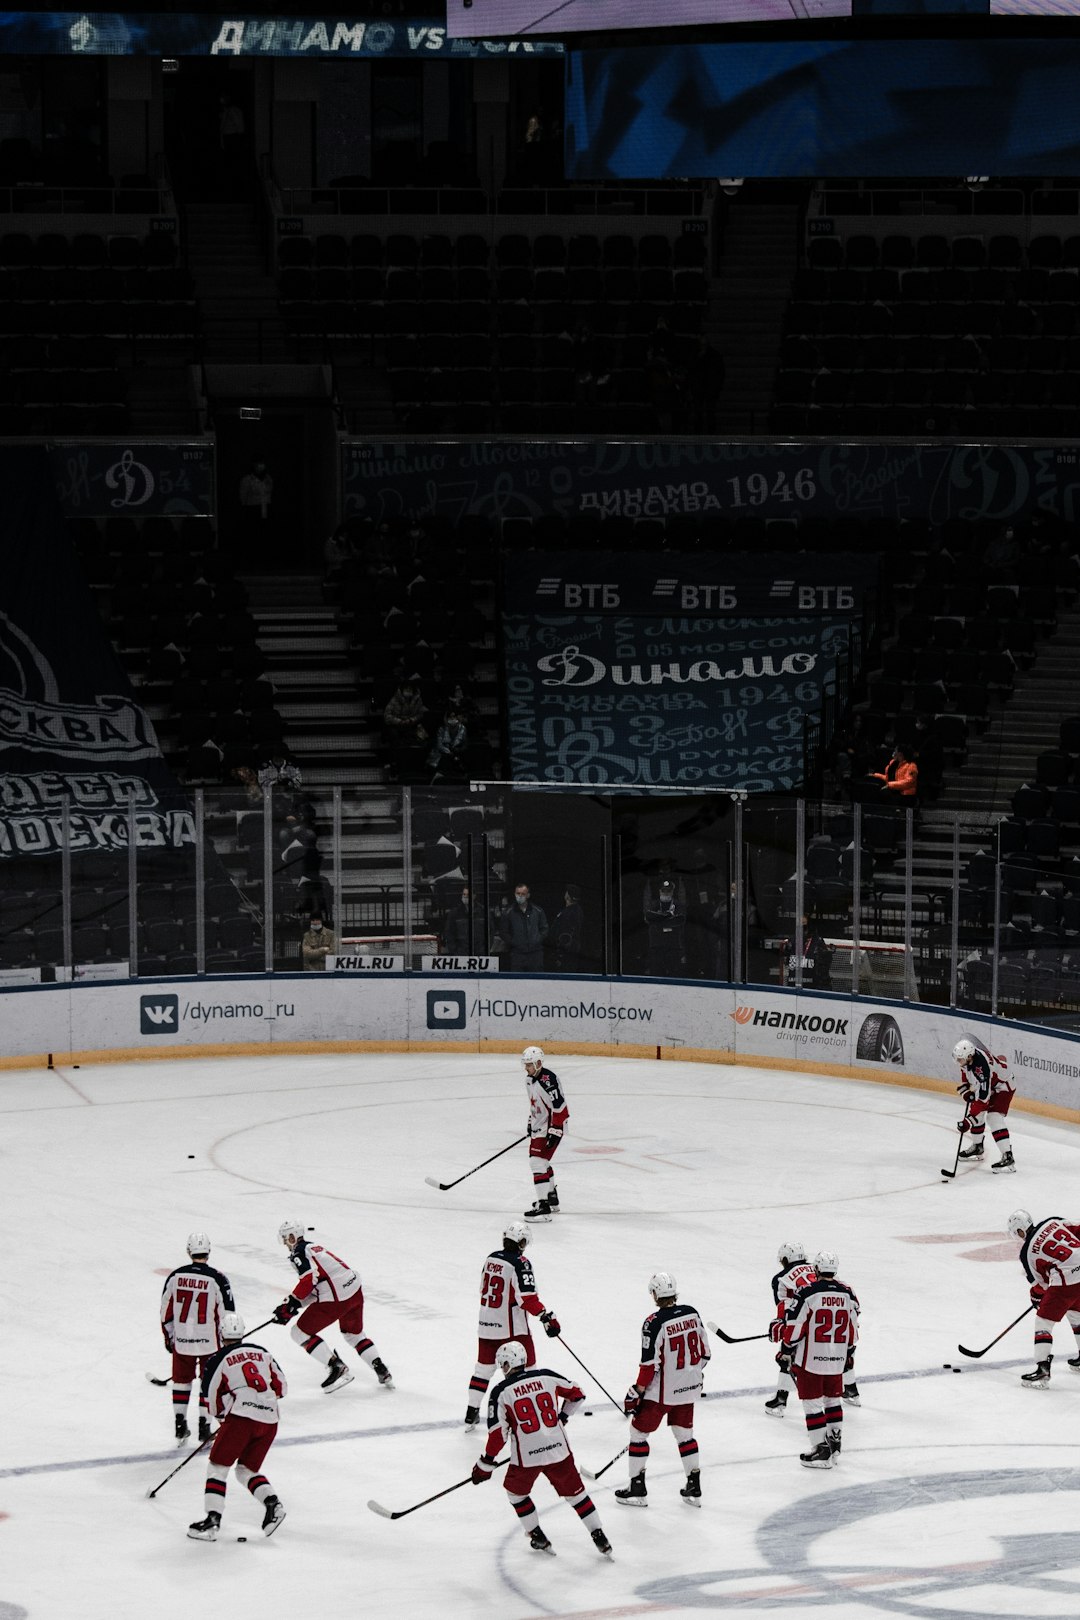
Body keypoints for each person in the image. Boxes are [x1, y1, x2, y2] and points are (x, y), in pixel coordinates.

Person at [471, 1339, 613, 1560]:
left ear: (507, 1364)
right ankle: (599, 1535)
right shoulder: (546, 1376)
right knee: (577, 1495)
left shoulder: (501, 1391)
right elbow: (578, 1394)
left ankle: (537, 1535)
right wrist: (562, 1417)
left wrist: (485, 1463)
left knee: (516, 1493)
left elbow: (499, 1435)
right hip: (559, 1450)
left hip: (527, 1458)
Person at [187, 1313, 287, 1542]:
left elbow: (211, 1398)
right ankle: (273, 1505)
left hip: (241, 1419)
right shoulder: (263, 1353)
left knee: (217, 1468)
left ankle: (212, 1521)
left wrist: (224, 1418)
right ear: (242, 1332)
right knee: (245, 1470)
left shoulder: (216, 1360)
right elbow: (282, 1388)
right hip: (271, 1420)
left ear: (221, 1334)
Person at [617, 1271, 710, 1508]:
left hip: (661, 1393)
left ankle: (637, 1488)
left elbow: (648, 1367)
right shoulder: (692, 1313)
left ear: (656, 1294)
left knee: (638, 1434)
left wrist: (636, 1392)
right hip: (688, 1387)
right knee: (685, 1435)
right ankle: (694, 1485)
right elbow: (706, 1353)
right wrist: (691, 1374)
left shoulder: (654, 1322)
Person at [272, 1220, 393, 1393]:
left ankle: (336, 1366)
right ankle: (380, 1368)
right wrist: (292, 1304)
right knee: (354, 1335)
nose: (285, 1243)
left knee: (298, 1333)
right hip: (354, 1292)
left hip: (337, 1298)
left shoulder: (299, 1252)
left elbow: (309, 1280)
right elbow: (321, 1283)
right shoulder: (314, 1247)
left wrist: (292, 1303)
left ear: (293, 1236)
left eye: (286, 1238)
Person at [465, 1219, 561, 1425]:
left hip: (486, 1323)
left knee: (483, 1369)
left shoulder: (491, 1258)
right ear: (522, 1242)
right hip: (513, 1329)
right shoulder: (521, 1263)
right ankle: (531, 1411)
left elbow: (483, 1287)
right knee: (530, 1369)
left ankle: (471, 1412)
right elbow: (527, 1298)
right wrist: (545, 1316)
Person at [780, 1250, 860, 1469]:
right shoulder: (848, 1293)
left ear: (816, 1269)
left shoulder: (807, 1292)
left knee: (812, 1402)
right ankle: (835, 1443)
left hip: (811, 1359)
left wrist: (786, 1348)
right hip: (837, 1358)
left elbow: (795, 1326)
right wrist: (849, 1352)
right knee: (832, 1400)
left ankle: (821, 1450)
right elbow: (853, 1326)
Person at [160, 1232, 236, 1446]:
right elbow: (228, 1313)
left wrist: (169, 1337)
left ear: (188, 1251)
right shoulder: (218, 1278)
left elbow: (165, 1312)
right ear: (208, 1252)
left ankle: (179, 1424)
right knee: (208, 1383)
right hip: (210, 1343)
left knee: (181, 1381)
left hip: (182, 1340)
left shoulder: (175, 1276)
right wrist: (229, 1341)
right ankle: (205, 1426)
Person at [1006, 1209, 1080, 1386]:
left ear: (1019, 1231)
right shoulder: (1053, 1221)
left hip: (1068, 1279)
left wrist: (1036, 1298)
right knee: (1076, 1313)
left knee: (1043, 1322)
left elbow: (1040, 1285)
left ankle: (1042, 1368)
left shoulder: (1027, 1253)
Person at [765, 1241, 817, 1418]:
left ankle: (781, 1398)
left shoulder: (781, 1278)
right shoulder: (817, 1268)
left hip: (802, 1321)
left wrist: (780, 1322)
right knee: (843, 1351)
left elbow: (785, 1306)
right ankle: (851, 1389)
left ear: (786, 1259)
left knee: (786, 1355)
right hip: (828, 1319)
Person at [953, 1037, 1016, 1172]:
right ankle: (977, 1147)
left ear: (969, 1056)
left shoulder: (982, 1068)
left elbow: (983, 1100)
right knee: (978, 1113)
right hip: (991, 1085)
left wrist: (968, 1121)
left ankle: (1008, 1156)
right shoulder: (969, 1060)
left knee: (993, 1117)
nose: (959, 1062)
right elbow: (966, 1074)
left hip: (1003, 1087)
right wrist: (965, 1090)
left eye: (960, 1059)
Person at [522, 1044, 568, 1221]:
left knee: (536, 1163)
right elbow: (535, 1105)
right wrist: (530, 1121)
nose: (526, 1068)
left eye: (529, 1064)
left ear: (539, 1063)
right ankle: (551, 1198)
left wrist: (555, 1131)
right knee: (542, 1162)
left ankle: (543, 1206)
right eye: (525, 1064)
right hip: (539, 1126)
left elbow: (560, 1107)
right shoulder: (529, 1080)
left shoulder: (549, 1081)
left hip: (550, 1127)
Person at [498, 883, 548, 973]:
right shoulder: (508, 913)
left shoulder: (538, 911)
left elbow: (544, 929)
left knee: (537, 981)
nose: (520, 896)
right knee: (517, 982)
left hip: (535, 954)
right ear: (514, 894)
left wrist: (536, 940)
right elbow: (503, 932)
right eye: (518, 893)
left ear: (528, 895)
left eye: (523, 894)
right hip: (517, 954)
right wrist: (514, 942)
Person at [644, 878, 686, 977]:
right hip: (656, 946)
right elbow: (649, 917)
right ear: (659, 891)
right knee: (656, 973)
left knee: (674, 974)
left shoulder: (678, 904)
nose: (666, 893)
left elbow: (679, 920)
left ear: (672, 892)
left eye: (668, 891)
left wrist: (659, 920)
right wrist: (668, 915)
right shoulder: (653, 904)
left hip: (674, 946)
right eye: (664, 890)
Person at [782, 915, 833, 990]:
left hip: (812, 986)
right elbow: (786, 960)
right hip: (793, 984)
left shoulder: (817, 941)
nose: (802, 926)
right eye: (800, 924)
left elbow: (824, 965)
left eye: (804, 923)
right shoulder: (792, 940)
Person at [426, 708, 469, 780]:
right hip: (441, 756)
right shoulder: (441, 729)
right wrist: (449, 752)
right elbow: (439, 746)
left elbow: (465, 745)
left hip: (457, 756)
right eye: (450, 717)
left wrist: (457, 750)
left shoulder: (463, 729)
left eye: (454, 716)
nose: (452, 719)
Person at [552, 885, 586, 972]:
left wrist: (560, 956)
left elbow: (566, 936)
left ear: (568, 896)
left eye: (567, 892)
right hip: (570, 953)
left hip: (566, 955)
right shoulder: (575, 910)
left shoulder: (570, 913)